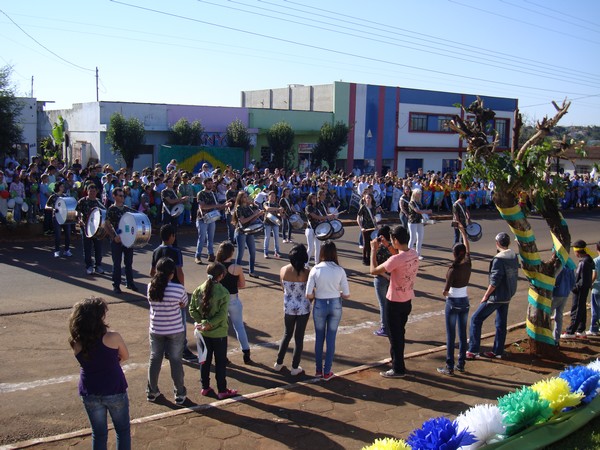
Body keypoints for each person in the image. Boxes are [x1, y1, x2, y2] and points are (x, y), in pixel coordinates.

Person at [68, 297, 131, 449]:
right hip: (114, 388)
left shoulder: (76, 341)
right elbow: (125, 356)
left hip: (89, 390)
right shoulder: (112, 337)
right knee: (122, 430)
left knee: (99, 432)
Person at [370, 225, 419, 378]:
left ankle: (398, 368)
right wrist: (387, 245)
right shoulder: (413, 253)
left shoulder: (396, 259)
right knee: (399, 334)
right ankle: (399, 363)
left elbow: (373, 270)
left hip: (395, 302)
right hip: (407, 300)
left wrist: (373, 250)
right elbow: (397, 256)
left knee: (394, 336)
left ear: (396, 240)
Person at [189, 263, 239, 400]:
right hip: (219, 333)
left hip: (203, 333)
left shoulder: (198, 290)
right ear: (221, 276)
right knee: (220, 362)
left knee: (204, 361)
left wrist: (202, 322)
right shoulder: (223, 292)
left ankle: (205, 387)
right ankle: (222, 389)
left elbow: (192, 309)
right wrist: (209, 324)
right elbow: (222, 315)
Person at [466, 232, 519, 359]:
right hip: (508, 294)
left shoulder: (499, 259)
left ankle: (473, 350)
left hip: (497, 296)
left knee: (476, 319)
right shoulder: (513, 256)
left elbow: (494, 281)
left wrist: (485, 296)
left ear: (497, 243)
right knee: (501, 323)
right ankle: (498, 351)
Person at [150, 224, 197, 362]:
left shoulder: (156, 251)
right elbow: (179, 272)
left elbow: (152, 272)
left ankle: (167, 350)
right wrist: (182, 289)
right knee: (180, 323)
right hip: (175, 290)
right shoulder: (176, 252)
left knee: (164, 321)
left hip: (160, 289)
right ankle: (183, 349)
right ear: (171, 236)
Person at [146, 257, 188, 405]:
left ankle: (152, 390)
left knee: (155, 358)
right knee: (176, 360)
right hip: (175, 329)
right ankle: (179, 392)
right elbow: (183, 304)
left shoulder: (151, 286)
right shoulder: (178, 288)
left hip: (156, 329)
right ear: (172, 273)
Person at [306, 241, 350, 380]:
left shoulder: (315, 269)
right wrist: (340, 294)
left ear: (322, 253)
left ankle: (318, 370)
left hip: (320, 303)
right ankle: (327, 372)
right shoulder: (339, 270)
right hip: (335, 303)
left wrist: (316, 295)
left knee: (319, 338)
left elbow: (308, 294)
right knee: (331, 338)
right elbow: (347, 294)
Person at [437, 225, 471, 376]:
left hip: (453, 301)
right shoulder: (468, 263)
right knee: (462, 334)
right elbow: (467, 248)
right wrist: (463, 233)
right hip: (464, 300)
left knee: (451, 336)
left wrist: (445, 294)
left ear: (454, 254)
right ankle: (461, 364)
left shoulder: (452, 269)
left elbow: (445, 291)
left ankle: (449, 366)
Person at [274, 244, 311, 376]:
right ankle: (295, 367)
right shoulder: (307, 272)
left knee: (286, 334)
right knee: (299, 338)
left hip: (289, 306)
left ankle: (278, 363)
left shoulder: (283, 270)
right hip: (303, 308)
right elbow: (310, 292)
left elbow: (283, 288)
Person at [216, 242, 252, 364]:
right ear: (231, 252)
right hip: (233, 299)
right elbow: (242, 285)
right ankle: (246, 352)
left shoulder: (216, 267)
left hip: (220, 301)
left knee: (222, 329)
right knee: (239, 327)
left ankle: (223, 356)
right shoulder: (236, 267)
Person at [105, 187, 137, 294]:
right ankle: (116, 285)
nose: (122, 197)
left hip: (128, 240)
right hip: (117, 240)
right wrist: (113, 237)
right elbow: (107, 225)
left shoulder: (127, 209)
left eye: (123, 196)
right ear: (114, 196)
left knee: (129, 263)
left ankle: (130, 282)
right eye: (120, 195)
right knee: (117, 264)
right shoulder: (111, 209)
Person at [561, 240, 594, 339]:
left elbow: (582, 280)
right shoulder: (588, 259)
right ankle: (581, 329)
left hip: (579, 290)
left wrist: (574, 288)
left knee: (576, 310)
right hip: (584, 289)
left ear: (577, 251)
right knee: (582, 309)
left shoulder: (583, 263)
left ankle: (571, 331)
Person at [195, 177, 228, 264]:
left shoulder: (213, 194)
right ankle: (198, 256)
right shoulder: (200, 193)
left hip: (212, 218)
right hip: (202, 218)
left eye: (211, 183)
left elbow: (217, 205)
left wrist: (225, 205)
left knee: (211, 238)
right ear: (204, 184)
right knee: (201, 238)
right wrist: (215, 206)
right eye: (208, 183)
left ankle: (211, 254)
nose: (210, 185)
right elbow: (203, 206)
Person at [232, 191, 263, 278]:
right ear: (240, 198)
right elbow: (243, 221)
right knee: (240, 254)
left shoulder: (249, 207)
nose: (246, 199)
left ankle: (251, 271)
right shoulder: (239, 208)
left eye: (246, 197)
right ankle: (236, 272)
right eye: (244, 197)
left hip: (249, 231)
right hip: (241, 231)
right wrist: (255, 214)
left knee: (252, 252)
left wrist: (258, 215)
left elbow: (251, 220)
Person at [372, 226, 396, 338]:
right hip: (391, 277)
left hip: (381, 278)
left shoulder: (379, 249)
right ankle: (390, 326)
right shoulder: (393, 248)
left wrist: (385, 275)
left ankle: (384, 328)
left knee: (383, 304)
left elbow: (374, 267)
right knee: (390, 304)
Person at [76, 183, 105, 275]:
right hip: (85, 228)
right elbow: (78, 212)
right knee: (87, 248)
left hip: (97, 229)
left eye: (94, 191)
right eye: (90, 191)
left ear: (96, 192)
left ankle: (98, 266)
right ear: (87, 191)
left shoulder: (99, 202)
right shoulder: (82, 201)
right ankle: (89, 266)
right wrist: (80, 220)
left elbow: (104, 213)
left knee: (98, 248)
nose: (92, 193)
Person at [46, 181, 73, 258]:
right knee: (58, 235)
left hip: (66, 218)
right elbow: (46, 206)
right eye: (61, 186)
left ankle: (67, 250)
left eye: (63, 186)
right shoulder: (53, 196)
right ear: (58, 187)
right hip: (57, 217)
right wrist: (53, 209)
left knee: (68, 234)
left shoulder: (66, 196)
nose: (63, 188)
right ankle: (57, 250)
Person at [551, 263, 575, 345]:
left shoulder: (558, 267)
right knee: (559, 316)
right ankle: (556, 339)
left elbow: (553, 280)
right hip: (565, 293)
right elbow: (573, 282)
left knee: (546, 315)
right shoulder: (569, 266)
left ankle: (547, 337)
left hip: (556, 293)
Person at [407, 189, 432, 261]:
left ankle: (418, 254)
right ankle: (408, 254)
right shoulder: (411, 202)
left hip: (419, 222)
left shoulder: (420, 203)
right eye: (418, 194)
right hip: (412, 222)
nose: (420, 195)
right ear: (414, 194)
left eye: (420, 194)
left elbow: (422, 212)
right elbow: (417, 211)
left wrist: (427, 217)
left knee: (420, 238)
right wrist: (428, 211)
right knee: (412, 238)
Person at [357, 193, 379, 265]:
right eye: (367, 198)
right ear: (364, 199)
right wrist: (361, 228)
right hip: (365, 228)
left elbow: (374, 218)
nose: (368, 199)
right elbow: (358, 218)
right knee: (366, 244)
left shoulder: (373, 207)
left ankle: (369, 258)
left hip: (372, 228)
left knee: (372, 243)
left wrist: (376, 226)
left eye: (369, 198)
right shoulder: (363, 207)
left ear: (371, 199)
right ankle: (364, 258)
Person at [263, 190, 283, 259]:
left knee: (276, 237)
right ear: (268, 197)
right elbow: (268, 209)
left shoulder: (276, 204)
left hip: (275, 222)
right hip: (267, 222)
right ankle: (266, 253)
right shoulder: (265, 203)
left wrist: (280, 212)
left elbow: (279, 214)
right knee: (267, 237)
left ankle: (277, 252)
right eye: (271, 196)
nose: (273, 197)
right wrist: (278, 209)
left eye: (274, 196)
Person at [588, 242, 600, 336]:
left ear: (597, 249)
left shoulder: (596, 261)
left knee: (595, 310)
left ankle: (594, 329)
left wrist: (589, 284)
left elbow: (594, 275)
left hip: (597, 288)